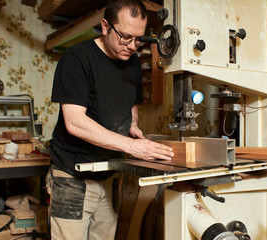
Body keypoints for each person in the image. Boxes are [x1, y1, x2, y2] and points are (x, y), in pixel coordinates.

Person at [46, 0, 174, 239]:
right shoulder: (77, 58)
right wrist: (132, 147)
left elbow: (131, 104)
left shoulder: (132, 62)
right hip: (73, 175)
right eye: (125, 37)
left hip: (109, 173)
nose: (133, 46)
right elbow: (74, 122)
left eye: (139, 39)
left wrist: (133, 124)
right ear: (105, 26)